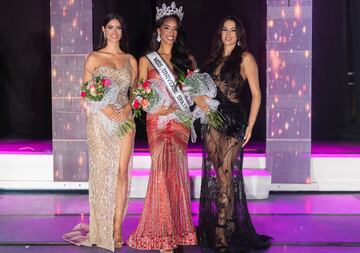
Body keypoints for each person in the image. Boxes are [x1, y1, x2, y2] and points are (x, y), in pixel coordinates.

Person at [196, 16, 271, 252]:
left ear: (239, 35)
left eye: (233, 30)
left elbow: (257, 94)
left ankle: (222, 228)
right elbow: (197, 91)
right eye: (225, 30)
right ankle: (222, 224)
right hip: (210, 120)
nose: (228, 34)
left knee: (227, 174)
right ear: (220, 33)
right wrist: (198, 99)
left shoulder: (246, 58)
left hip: (233, 121)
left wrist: (250, 126)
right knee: (218, 175)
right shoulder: (211, 61)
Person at [63, 13, 138, 252]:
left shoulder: (130, 60)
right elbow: (86, 92)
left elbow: (135, 94)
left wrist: (125, 108)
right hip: (100, 120)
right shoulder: (94, 58)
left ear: (122, 32)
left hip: (125, 119)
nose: (115, 32)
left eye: (118, 28)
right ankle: (101, 226)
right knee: (102, 173)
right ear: (103, 30)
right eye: (110, 27)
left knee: (121, 172)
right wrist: (107, 110)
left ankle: (116, 228)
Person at [127, 2, 197, 252]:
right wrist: (156, 106)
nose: (171, 32)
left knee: (176, 172)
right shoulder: (146, 60)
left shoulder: (186, 59)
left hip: (179, 121)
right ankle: (161, 232)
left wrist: (195, 101)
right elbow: (137, 94)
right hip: (157, 121)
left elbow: (195, 90)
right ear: (158, 30)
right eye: (166, 27)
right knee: (160, 171)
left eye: (175, 29)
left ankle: (178, 230)